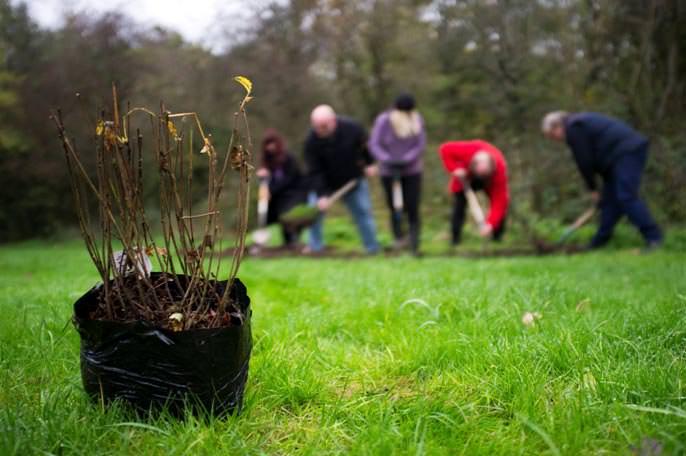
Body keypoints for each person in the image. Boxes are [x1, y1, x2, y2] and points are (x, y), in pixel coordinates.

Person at [541, 111, 663, 250]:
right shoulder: (580, 123)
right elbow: (596, 154)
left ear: (558, 126)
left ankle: (654, 238)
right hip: (617, 158)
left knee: (626, 196)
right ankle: (598, 242)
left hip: (627, 152)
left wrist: (592, 188)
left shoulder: (574, 129)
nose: (555, 139)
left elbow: (585, 161)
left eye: (552, 135)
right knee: (610, 202)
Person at [304, 104, 380, 254]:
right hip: (326, 184)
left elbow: (366, 146)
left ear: (333, 120)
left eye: (324, 126)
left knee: (363, 212)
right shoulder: (311, 141)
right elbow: (314, 171)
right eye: (317, 127)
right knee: (313, 211)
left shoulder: (353, 128)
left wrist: (370, 163)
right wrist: (321, 196)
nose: (320, 130)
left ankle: (372, 249)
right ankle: (315, 248)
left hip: (353, 181)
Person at [369, 93, 426, 255]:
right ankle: (398, 240)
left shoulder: (417, 120)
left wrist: (406, 159)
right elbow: (374, 143)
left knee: (412, 206)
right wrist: (388, 159)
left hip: (411, 170)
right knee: (394, 206)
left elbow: (420, 144)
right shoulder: (384, 120)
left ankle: (414, 243)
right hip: (389, 171)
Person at [438, 140, 510, 245]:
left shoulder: (499, 170)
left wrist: (490, 224)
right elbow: (445, 149)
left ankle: (497, 238)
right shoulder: (469, 150)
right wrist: (454, 169)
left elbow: (500, 202)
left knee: (500, 209)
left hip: (490, 182)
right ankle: (455, 240)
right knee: (459, 207)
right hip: (466, 178)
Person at [256, 129, 307, 247]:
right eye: (267, 144)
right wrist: (263, 178)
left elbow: (289, 180)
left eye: (272, 143)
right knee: (269, 214)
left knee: (287, 215)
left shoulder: (289, 159)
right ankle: (264, 240)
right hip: (276, 197)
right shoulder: (266, 161)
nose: (270, 147)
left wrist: (271, 190)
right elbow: (267, 181)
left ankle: (293, 242)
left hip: (293, 194)